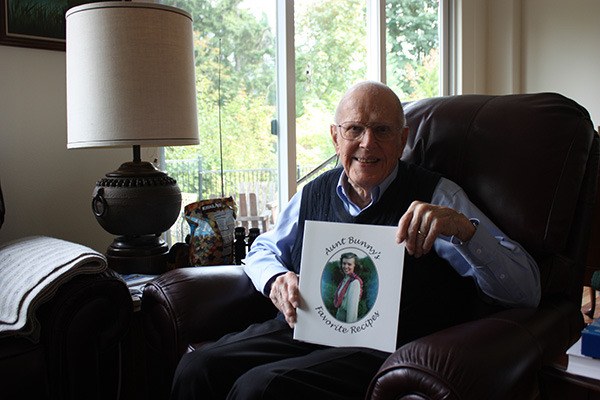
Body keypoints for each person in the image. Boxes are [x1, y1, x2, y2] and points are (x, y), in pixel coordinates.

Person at [170, 81, 541, 400]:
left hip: (385, 345)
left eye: (382, 130)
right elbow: (264, 249)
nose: (367, 143)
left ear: (402, 139)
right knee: (196, 366)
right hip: (309, 325)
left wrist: (464, 230)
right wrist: (276, 280)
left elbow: (525, 292)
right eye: (354, 130)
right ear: (336, 136)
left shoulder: (438, 197)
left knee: (260, 388)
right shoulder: (313, 193)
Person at [333, 252, 363, 323]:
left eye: (349, 264)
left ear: (354, 266)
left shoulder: (354, 283)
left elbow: (352, 311)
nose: (346, 266)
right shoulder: (345, 280)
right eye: (344, 263)